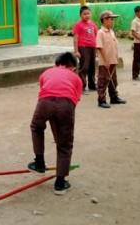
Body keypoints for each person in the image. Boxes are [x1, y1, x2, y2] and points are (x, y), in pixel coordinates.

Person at [28, 52, 82, 195]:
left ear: (56, 64)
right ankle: (60, 183)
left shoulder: (46, 72)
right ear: (73, 68)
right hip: (66, 104)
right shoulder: (76, 79)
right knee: (65, 143)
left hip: (45, 102)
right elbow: (72, 102)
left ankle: (39, 163)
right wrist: (60, 131)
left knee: (36, 127)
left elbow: (46, 91)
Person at [96, 10, 127, 108]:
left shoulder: (111, 31)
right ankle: (101, 100)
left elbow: (114, 46)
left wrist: (116, 58)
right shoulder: (100, 32)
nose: (112, 21)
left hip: (113, 60)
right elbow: (100, 47)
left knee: (113, 80)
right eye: (111, 19)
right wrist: (105, 60)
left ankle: (114, 97)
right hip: (105, 62)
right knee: (103, 80)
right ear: (104, 20)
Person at [73, 5, 98, 95]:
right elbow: (75, 38)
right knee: (84, 67)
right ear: (80, 15)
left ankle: (92, 84)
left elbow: (96, 35)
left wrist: (97, 49)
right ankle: (82, 86)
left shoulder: (92, 24)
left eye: (88, 13)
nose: (87, 15)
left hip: (92, 47)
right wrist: (76, 51)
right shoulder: (78, 24)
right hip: (83, 47)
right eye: (84, 14)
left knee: (92, 66)